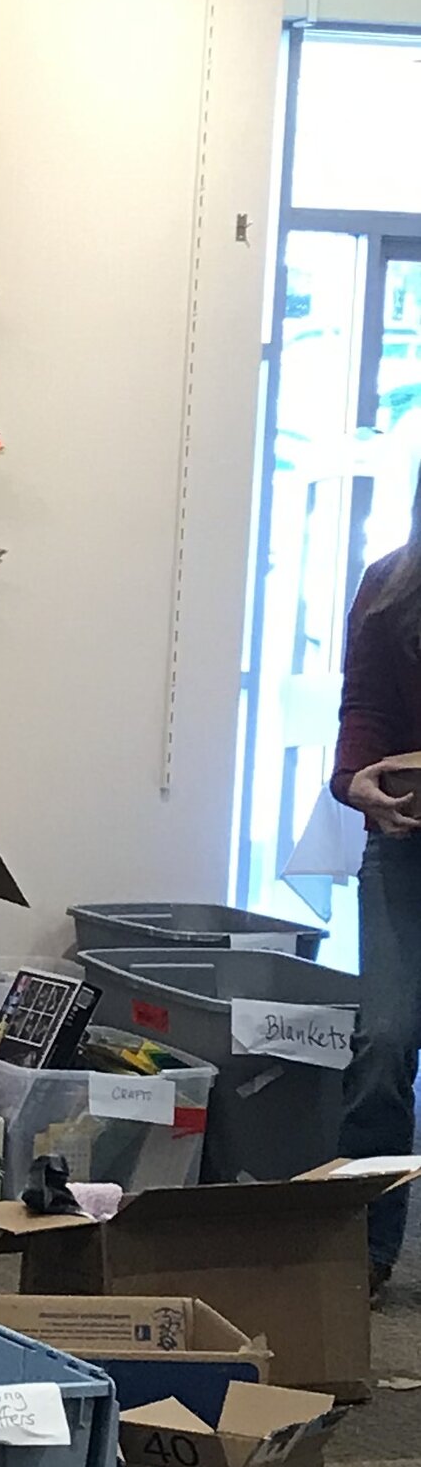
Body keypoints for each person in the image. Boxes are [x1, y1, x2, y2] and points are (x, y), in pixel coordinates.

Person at [331, 486, 421, 1288]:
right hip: (405, 849)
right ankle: (363, 1250)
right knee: (386, 1040)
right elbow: (365, 709)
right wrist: (354, 779)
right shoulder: (390, 588)